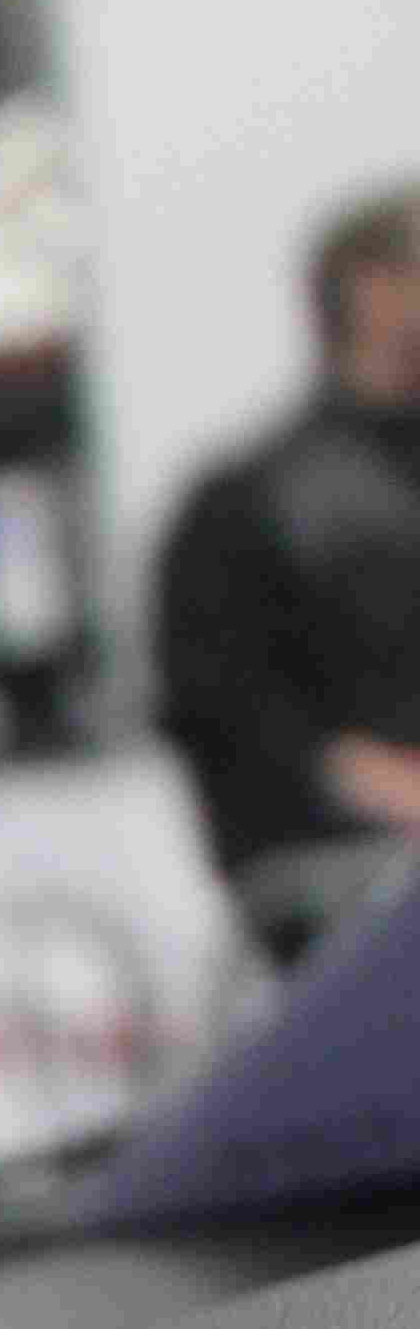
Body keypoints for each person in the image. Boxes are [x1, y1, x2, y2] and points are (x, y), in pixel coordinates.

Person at [153, 183, 420, 966]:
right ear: (370, 291)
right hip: (342, 875)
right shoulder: (250, 503)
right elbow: (233, 714)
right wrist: (391, 787)